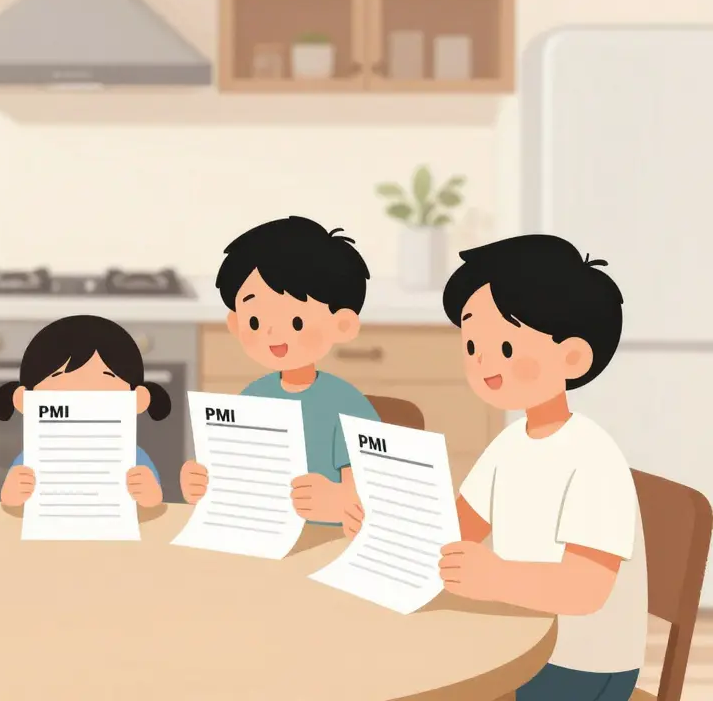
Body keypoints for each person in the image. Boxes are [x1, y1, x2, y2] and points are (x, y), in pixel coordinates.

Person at [343, 235, 645, 701]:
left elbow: (586, 591)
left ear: (572, 357)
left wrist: (497, 577)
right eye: (471, 345)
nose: (482, 361)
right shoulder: (509, 444)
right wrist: (384, 526)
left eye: (504, 346)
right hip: (517, 636)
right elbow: (457, 530)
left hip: (582, 666)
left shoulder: (593, 459)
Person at [179, 217, 380, 525]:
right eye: (255, 322)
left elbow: (375, 496)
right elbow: (234, 478)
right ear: (236, 323)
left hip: (327, 544)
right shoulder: (253, 397)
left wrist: (340, 503)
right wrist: (203, 482)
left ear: (342, 325)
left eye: (297, 322)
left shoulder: (347, 407)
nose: (272, 334)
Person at [0, 315, 169, 508]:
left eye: (106, 376)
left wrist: (149, 494)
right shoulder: (32, 458)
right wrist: (12, 494)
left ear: (139, 400)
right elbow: (12, 505)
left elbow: (153, 503)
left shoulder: (134, 457)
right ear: (24, 401)